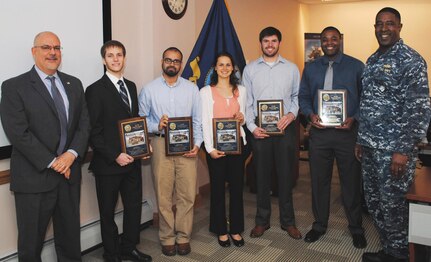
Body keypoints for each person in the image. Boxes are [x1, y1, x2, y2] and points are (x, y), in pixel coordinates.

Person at [0, 31, 90, 261]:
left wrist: (70, 155)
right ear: (34, 51)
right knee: (31, 245)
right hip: (34, 178)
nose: (52, 52)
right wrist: (54, 162)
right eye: (46, 47)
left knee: (70, 240)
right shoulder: (13, 86)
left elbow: (84, 125)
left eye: (57, 48)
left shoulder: (74, 83)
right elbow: (18, 133)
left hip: (69, 177)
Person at [356, 7, 431, 262]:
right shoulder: (373, 59)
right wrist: (361, 140)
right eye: (379, 24)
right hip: (370, 147)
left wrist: (403, 150)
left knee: (395, 206)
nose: (384, 28)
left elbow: (418, 109)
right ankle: (389, 250)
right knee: (375, 203)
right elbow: (367, 103)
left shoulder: (411, 60)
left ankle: (400, 255)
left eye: (389, 23)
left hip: (394, 152)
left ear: (400, 27)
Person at [298, 26, 367, 249]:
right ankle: (319, 225)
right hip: (319, 135)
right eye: (325, 39)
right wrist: (310, 114)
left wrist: (354, 118)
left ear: (340, 41)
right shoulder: (310, 69)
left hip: (347, 134)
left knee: (350, 183)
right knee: (319, 181)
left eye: (334, 39)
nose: (329, 42)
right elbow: (303, 97)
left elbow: (366, 100)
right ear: (320, 43)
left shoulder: (356, 66)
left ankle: (356, 227)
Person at [85, 41, 152, 262]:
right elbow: (94, 131)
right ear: (104, 60)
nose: (115, 59)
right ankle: (111, 254)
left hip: (132, 161)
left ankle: (128, 247)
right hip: (108, 164)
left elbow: (133, 124)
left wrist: (144, 144)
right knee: (107, 213)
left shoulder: (131, 86)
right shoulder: (94, 90)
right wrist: (115, 155)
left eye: (119, 55)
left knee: (133, 208)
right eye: (110, 55)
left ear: (124, 58)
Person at [138, 47, 202, 256]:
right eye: (168, 60)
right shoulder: (149, 89)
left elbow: (198, 121)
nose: (172, 64)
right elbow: (141, 121)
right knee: (163, 194)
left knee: (187, 193)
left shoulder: (192, 89)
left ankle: (183, 236)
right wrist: (158, 124)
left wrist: (198, 144)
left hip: (186, 147)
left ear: (181, 65)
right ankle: (167, 237)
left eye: (176, 61)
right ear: (162, 62)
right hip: (160, 144)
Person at [242, 26, 302, 240]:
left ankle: (288, 222)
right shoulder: (249, 70)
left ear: (279, 43)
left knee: (286, 176)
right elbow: (246, 103)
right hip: (260, 131)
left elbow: (297, 97)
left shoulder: (292, 68)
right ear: (261, 43)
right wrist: (251, 127)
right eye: (266, 41)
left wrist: (292, 115)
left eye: (274, 41)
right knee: (261, 177)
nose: (270, 45)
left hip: (285, 130)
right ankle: (262, 221)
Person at [200, 52, 247, 248]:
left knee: (237, 189)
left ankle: (235, 229)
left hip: (237, 147)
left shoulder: (241, 90)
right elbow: (204, 121)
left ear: (233, 68)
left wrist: (242, 117)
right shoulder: (205, 92)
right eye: (221, 64)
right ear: (215, 68)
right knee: (218, 189)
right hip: (216, 150)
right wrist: (210, 149)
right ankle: (220, 229)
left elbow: (244, 114)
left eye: (228, 65)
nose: (225, 68)